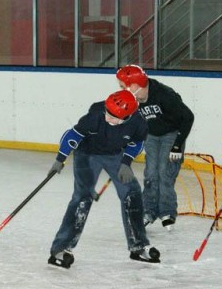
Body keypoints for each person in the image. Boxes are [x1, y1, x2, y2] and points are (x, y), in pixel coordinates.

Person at [47, 90, 160, 269]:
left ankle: (138, 246)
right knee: (83, 197)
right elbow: (73, 135)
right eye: (108, 112)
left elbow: (136, 143)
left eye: (115, 117)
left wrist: (126, 162)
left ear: (128, 116)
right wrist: (60, 158)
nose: (108, 118)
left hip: (115, 155)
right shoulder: (96, 115)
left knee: (132, 193)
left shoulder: (138, 123)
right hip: (87, 154)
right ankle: (61, 248)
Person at [116, 65, 195, 230]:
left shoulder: (165, 95)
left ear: (136, 85)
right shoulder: (133, 100)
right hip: (151, 135)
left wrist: (177, 145)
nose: (121, 90)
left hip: (172, 134)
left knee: (165, 172)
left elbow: (188, 117)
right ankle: (149, 211)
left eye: (123, 86)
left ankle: (167, 212)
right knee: (151, 173)